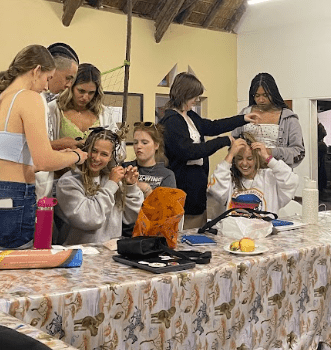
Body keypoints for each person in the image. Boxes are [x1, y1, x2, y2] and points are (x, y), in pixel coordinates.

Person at [0, 45, 87, 253]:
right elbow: (43, 161)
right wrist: (76, 156)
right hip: (10, 196)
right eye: (48, 78)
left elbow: (10, 158)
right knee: (17, 274)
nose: (47, 87)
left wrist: (59, 154)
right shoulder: (29, 98)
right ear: (37, 70)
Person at [159, 72, 250, 229]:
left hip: (196, 190)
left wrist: (242, 119)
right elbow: (189, 151)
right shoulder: (172, 121)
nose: (197, 100)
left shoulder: (189, 115)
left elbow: (213, 126)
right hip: (183, 188)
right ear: (185, 94)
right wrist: (223, 141)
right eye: (194, 96)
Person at [55, 128, 142, 244]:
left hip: (110, 253)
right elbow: (90, 219)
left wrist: (131, 187)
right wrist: (111, 185)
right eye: (94, 151)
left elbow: (131, 218)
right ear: (86, 149)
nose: (96, 158)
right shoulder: (68, 181)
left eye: (104, 154)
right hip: (80, 254)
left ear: (111, 157)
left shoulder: (113, 180)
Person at [208, 133, 298, 215]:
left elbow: (291, 181)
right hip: (235, 231)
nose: (244, 163)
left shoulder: (269, 177)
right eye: (239, 158)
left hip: (264, 231)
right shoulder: (230, 180)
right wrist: (230, 155)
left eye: (249, 158)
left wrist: (267, 157)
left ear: (256, 159)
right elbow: (215, 189)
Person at [35, 42, 79, 200]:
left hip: (43, 193)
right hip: (26, 195)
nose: (68, 85)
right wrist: (69, 152)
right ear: (52, 69)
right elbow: (24, 151)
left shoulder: (44, 99)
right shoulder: (31, 99)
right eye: (68, 78)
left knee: (45, 225)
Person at [232, 73, 305, 168]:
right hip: (246, 172)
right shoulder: (245, 113)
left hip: (275, 173)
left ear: (273, 94)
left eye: (265, 95)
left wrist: (271, 152)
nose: (261, 100)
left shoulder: (288, 118)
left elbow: (299, 152)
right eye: (257, 95)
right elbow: (233, 142)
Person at [122, 122, 176, 236]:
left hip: (152, 233)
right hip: (125, 232)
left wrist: (146, 189)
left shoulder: (167, 175)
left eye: (144, 142)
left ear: (156, 145)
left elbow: (166, 213)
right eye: (135, 142)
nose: (138, 146)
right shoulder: (125, 168)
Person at [317, 122, 328, 196]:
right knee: (322, 166)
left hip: (319, 146)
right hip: (321, 146)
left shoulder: (319, 126)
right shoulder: (320, 126)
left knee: (320, 166)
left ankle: (321, 185)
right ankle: (322, 185)